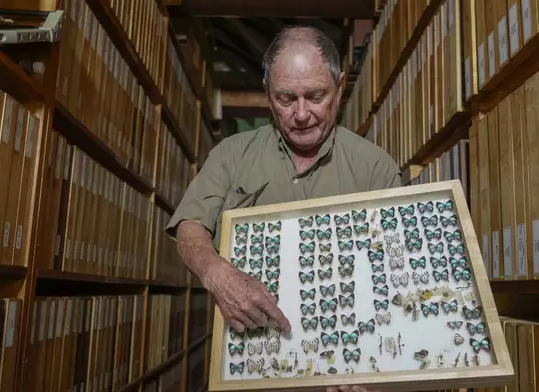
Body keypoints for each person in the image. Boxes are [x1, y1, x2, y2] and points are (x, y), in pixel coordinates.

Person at [166, 26, 399, 392]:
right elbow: (189, 226)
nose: (302, 114)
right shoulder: (231, 155)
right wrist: (217, 274)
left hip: (342, 365)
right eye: (286, 98)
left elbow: (392, 275)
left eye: (316, 96)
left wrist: (375, 363)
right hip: (248, 363)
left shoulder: (375, 168)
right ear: (267, 93)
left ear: (340, 86)